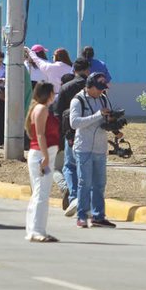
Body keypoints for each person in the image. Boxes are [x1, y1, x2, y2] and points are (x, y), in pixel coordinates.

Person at [69, 73, 117, 228]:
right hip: (84, 148)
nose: (100, 92)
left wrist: (114, 124)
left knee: (100, 183)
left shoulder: (103, 98)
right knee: (85, 182)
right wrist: (97, 115)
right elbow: (74, 123)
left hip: (100, 147)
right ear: (89, 86)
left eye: (103, 89)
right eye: (98, 88)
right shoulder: (78, 100)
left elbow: (106, 118)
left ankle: (98, 216)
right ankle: (81, 215)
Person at [53, 57, 91, 217]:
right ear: (87, 70)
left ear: (73, 69)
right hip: (91, 133)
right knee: (86, 169)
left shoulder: (66, 88)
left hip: (71, 133)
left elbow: (57, 113)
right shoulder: (93, 87)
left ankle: (74, 196)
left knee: (69, 166)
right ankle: (85, 202)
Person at [25, 81, 60, 242]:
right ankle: (36, 230)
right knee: (41, 194)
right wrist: (45, 156)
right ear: (48, 93)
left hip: (44, 153)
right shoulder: (42, 109)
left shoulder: (40, 108)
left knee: (39, 193)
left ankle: (36, 229)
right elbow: (40, 134)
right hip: (41, 154)